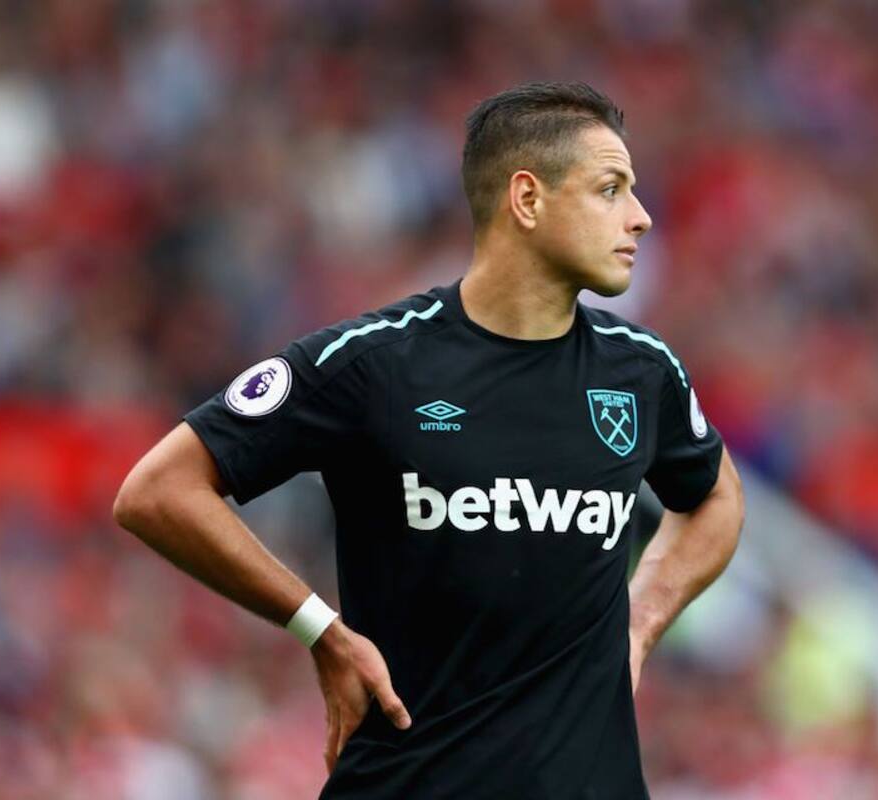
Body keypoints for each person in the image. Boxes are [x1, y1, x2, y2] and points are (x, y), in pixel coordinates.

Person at [113, 81, 745, 799]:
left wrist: (639, 623)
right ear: (527, 200)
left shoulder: (641, 371)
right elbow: (158, 491)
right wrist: (319, 630)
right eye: (610, 190)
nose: (641, 217)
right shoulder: (373, 363)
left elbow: (717, 498)